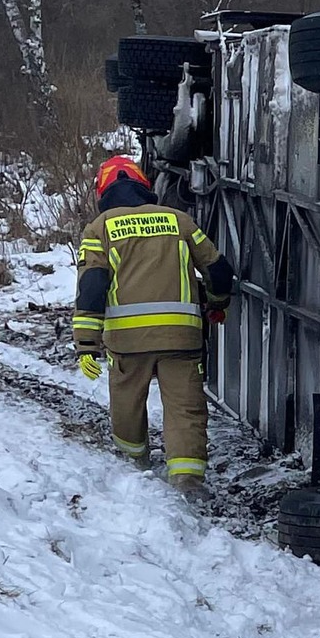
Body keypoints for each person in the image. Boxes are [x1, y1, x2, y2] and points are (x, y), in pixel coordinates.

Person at [71, 156, 233, 499]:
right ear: (145, 187)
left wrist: (87, 344)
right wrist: (217, 304)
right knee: (185, 407)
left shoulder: (100, 228)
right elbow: (218, 270)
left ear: (104, 193)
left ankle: (134, 465)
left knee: (127, 402)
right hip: (182, 335)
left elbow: (93, 286)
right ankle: (187, 478)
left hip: (128, 340)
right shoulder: (179, 220)